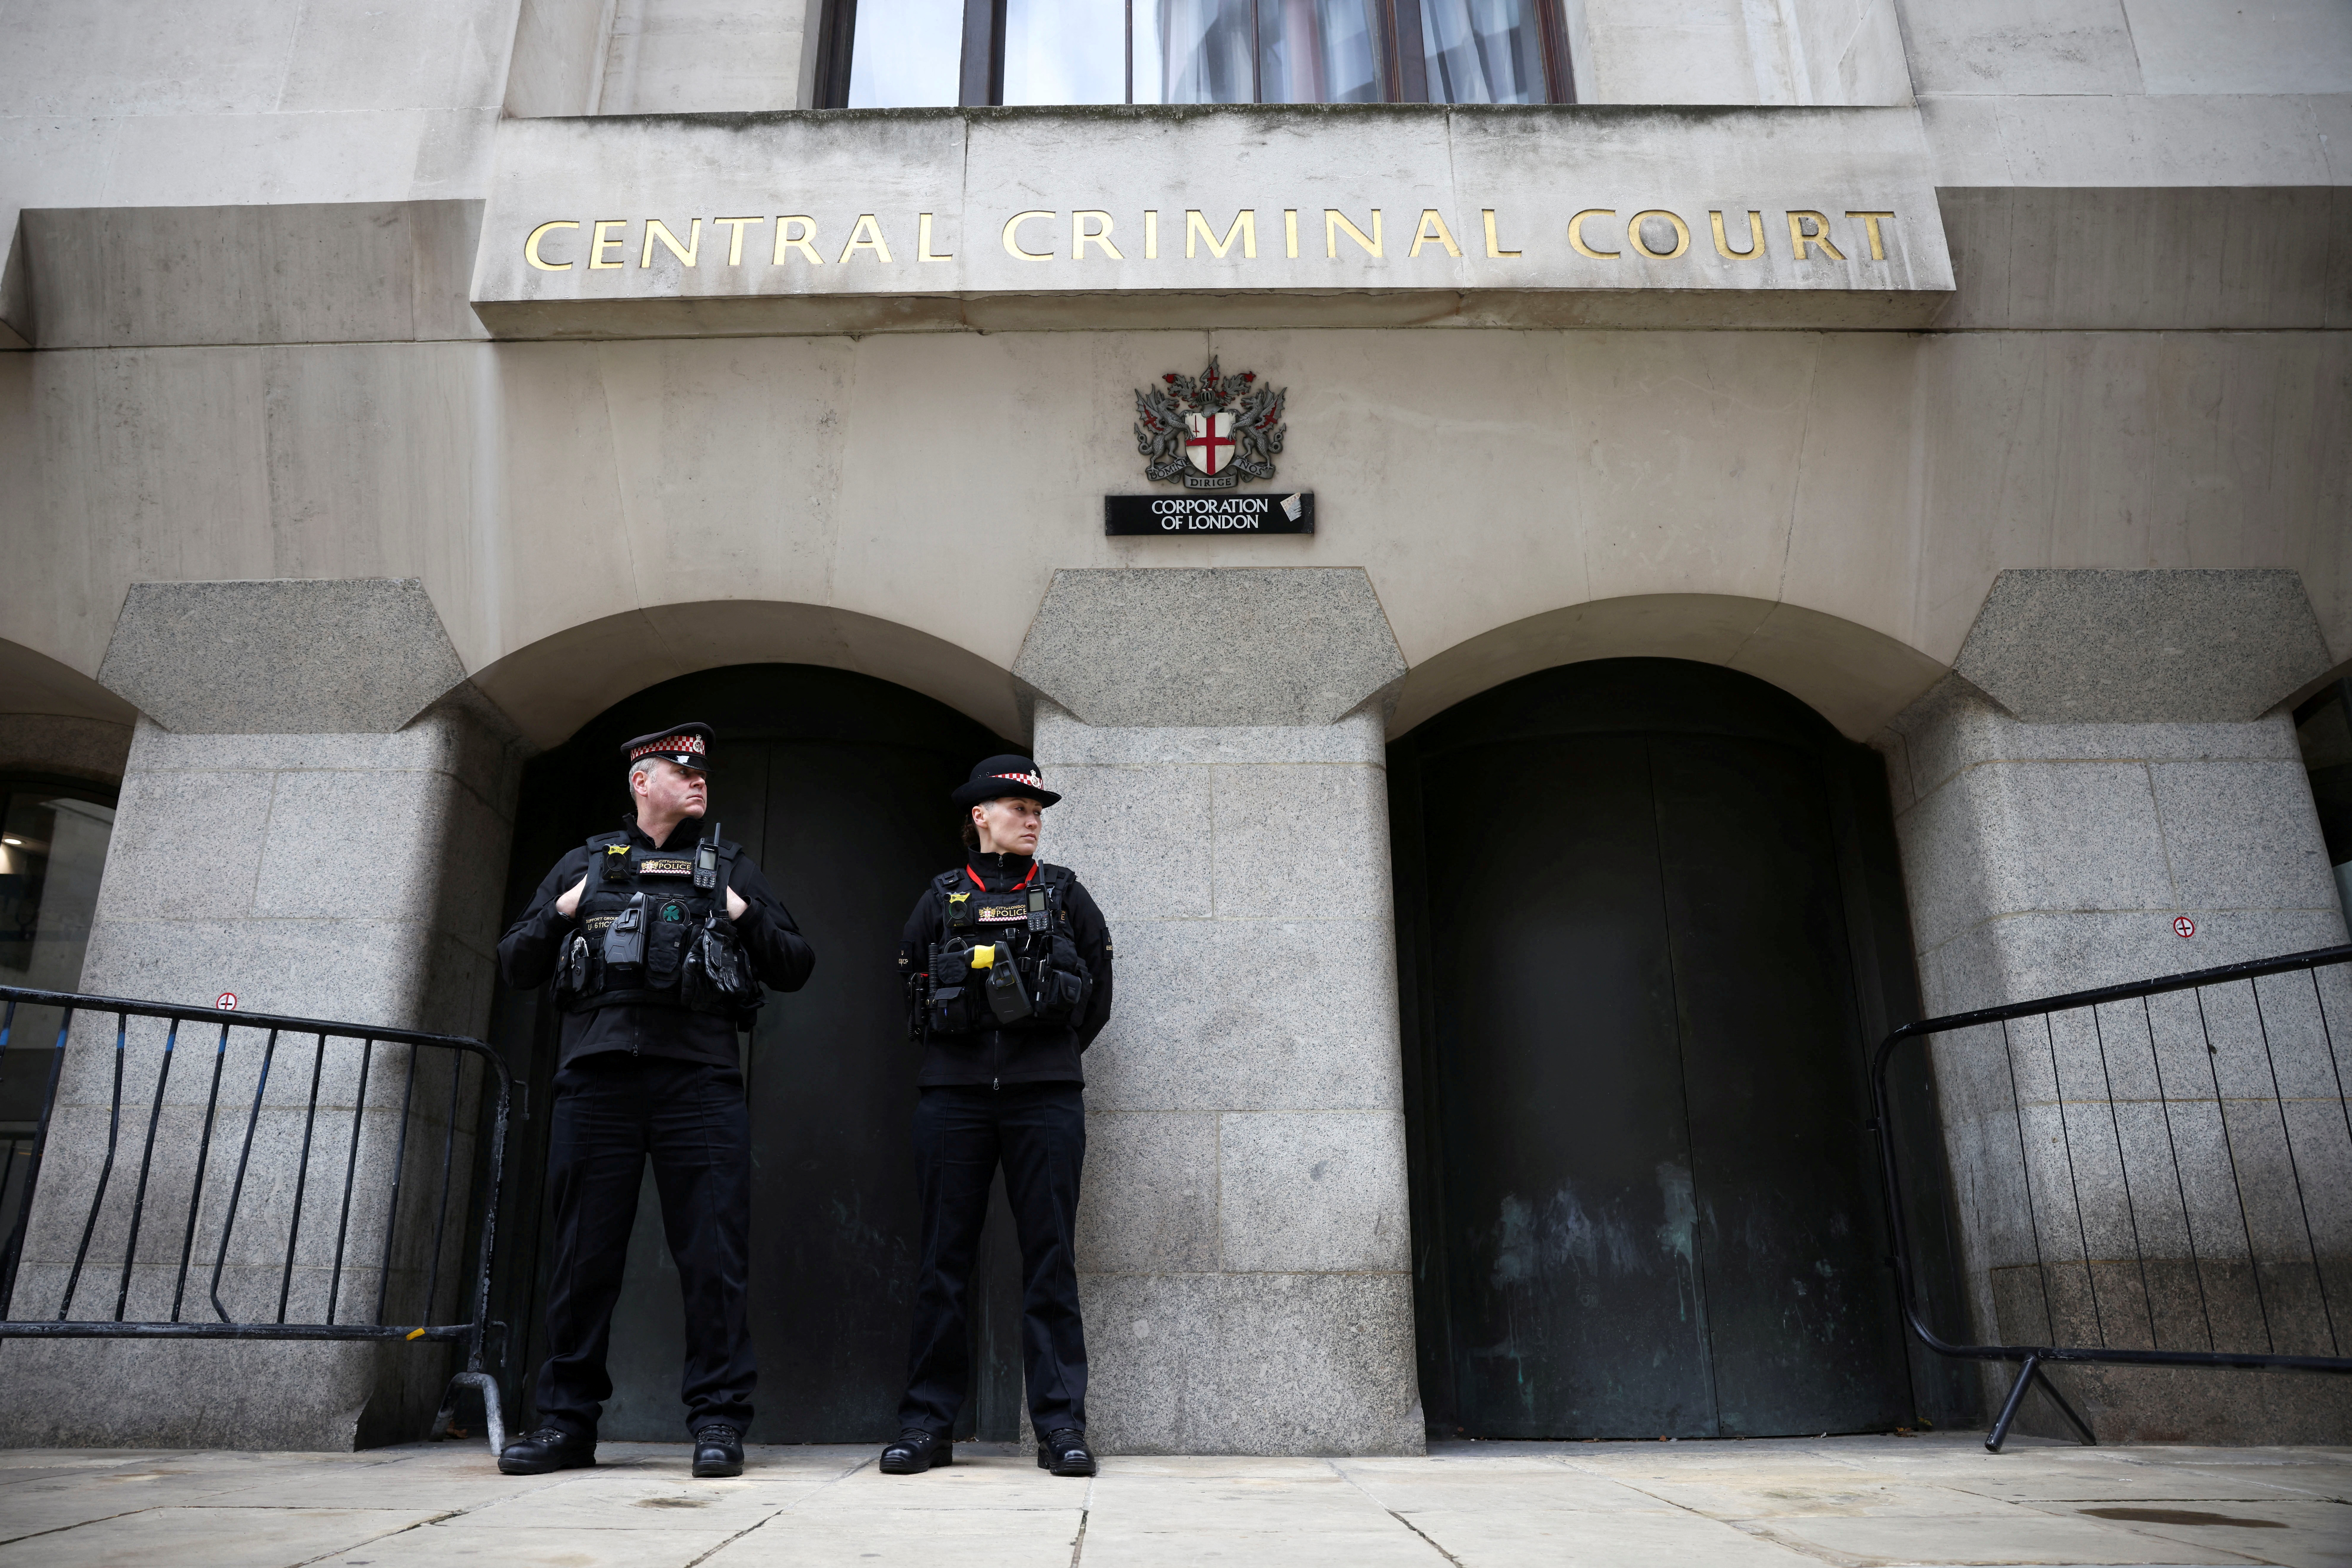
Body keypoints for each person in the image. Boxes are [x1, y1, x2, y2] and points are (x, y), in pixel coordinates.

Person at [492, 723, 815, 1480]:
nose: (700, 778)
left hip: (697, 1084)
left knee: (713, 1257)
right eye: (682, 767)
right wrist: (563, 910)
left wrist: (742, 912)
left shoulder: (726, 865)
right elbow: (516, 962)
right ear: (642, 780)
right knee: (581, 1260)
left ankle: (717, 1423)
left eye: (704, 769)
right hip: (596, 1083)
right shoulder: (584, 863)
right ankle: (566, 1424)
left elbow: (796, 963)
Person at [882, 755, 1114, 1478]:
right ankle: (926, 1426)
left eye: (1038, 807)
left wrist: (1039, 1058)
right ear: (979, 814)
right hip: (951, 1100)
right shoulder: (941, 898)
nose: (1032, 816)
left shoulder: (1067, 894)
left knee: (1050, 1261)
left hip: (1043, 1098)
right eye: (1017, 805)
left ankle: (1060, 1427)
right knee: (943, 1263)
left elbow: (1098, 999)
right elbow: (913, 988)